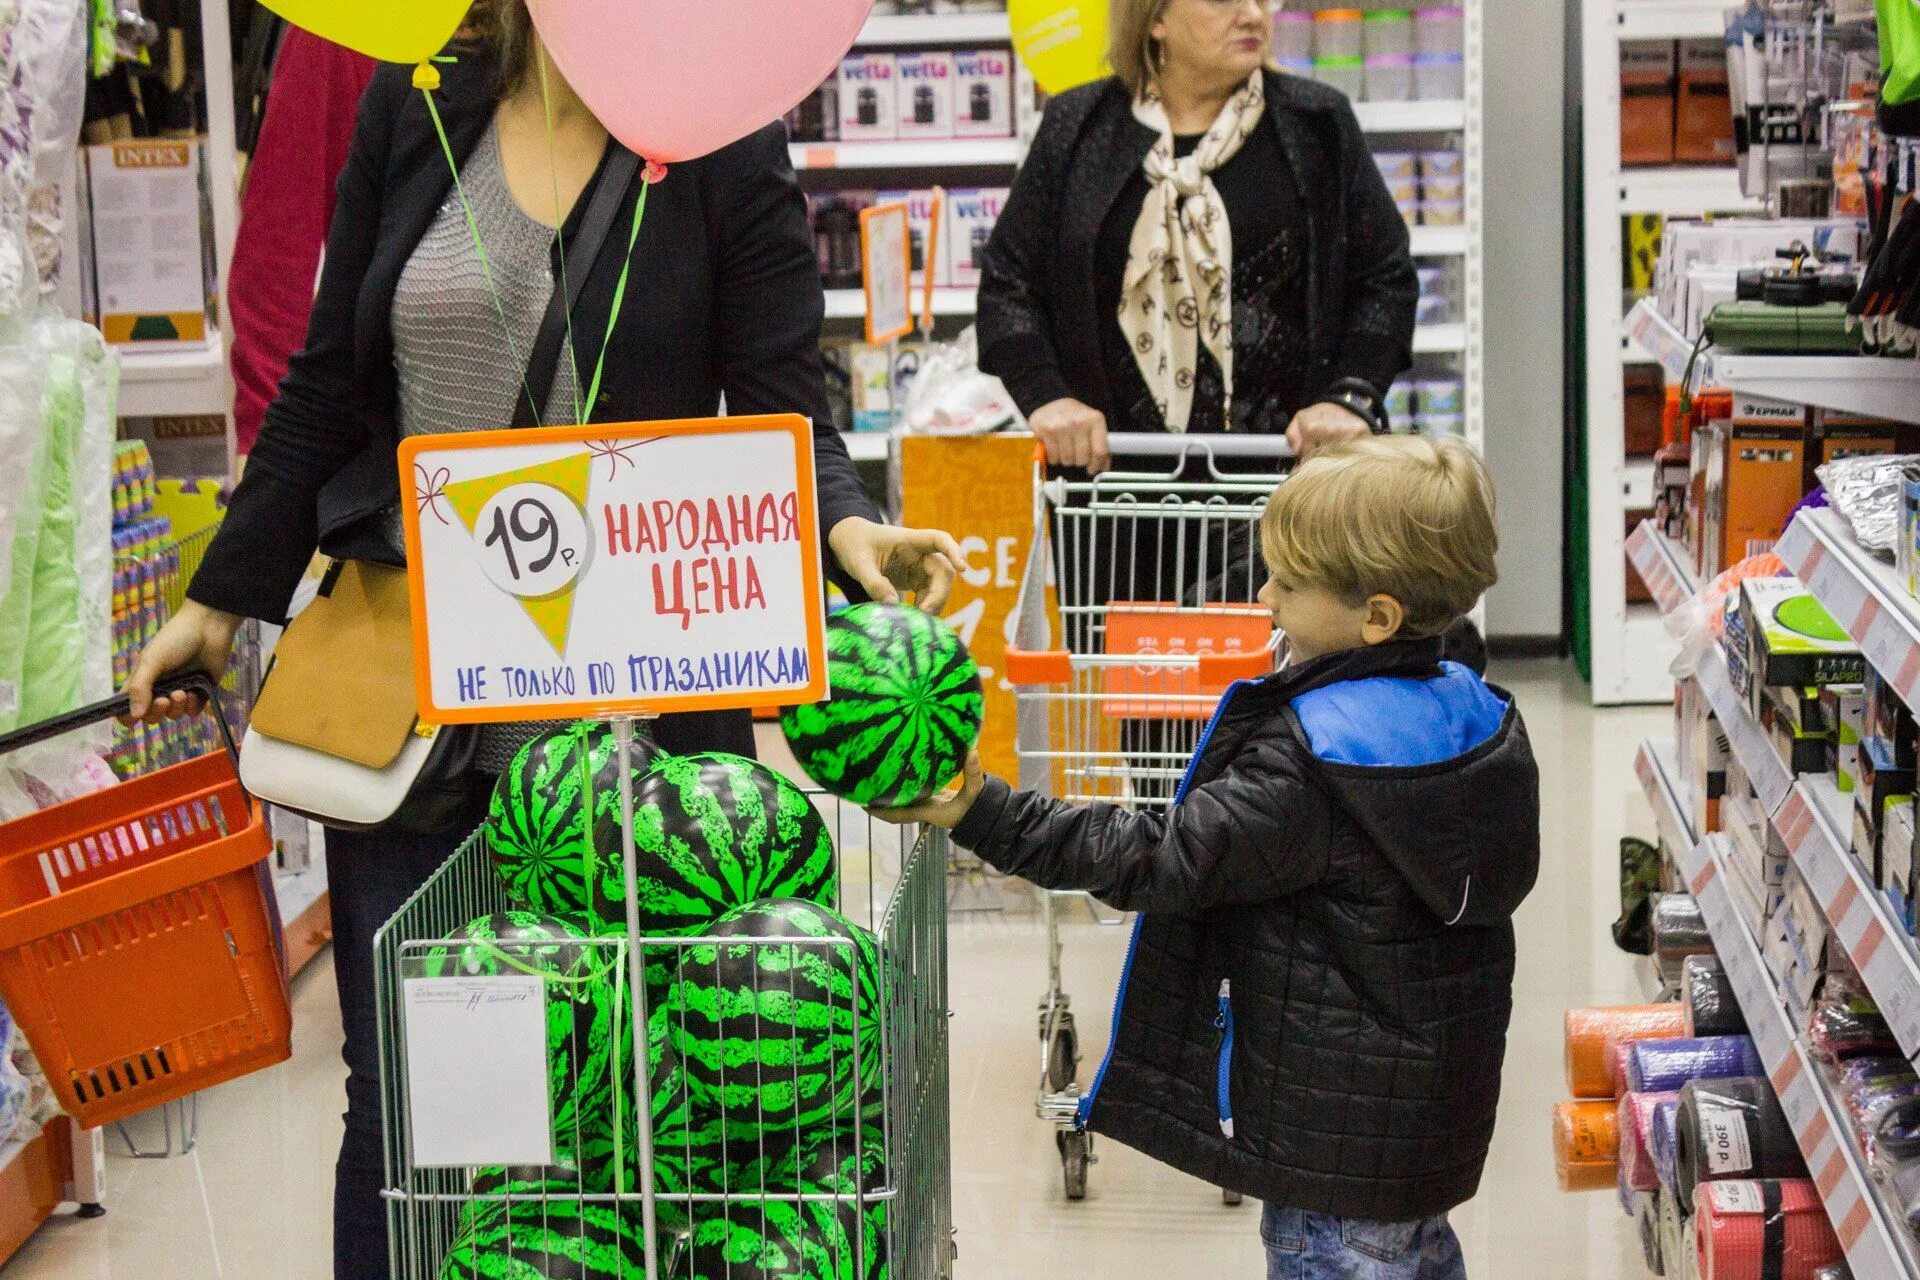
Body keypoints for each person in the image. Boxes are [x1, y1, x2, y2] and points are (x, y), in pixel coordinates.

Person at [124, 6, 962, 1277]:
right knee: (414, 1097)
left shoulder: (722, 138)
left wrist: (848, 536)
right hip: (423, 719)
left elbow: (791, 406)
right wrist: (217, 598)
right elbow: (325, 380)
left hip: (644, 747)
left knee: (632, 1108)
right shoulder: (416, 107)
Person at [881, 436, 1540, 1280]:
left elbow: (1157, 858)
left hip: (1329, 1160)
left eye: (1289, 585)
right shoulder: (1477, 717)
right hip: (1417, 1138)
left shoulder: (1316, 766)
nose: (1263, 596)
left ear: (1376, 618)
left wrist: (986, 811)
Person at [976, 0, 1419, 474]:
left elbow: (1385, 277)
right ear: (1156, 19)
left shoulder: (1316, 123)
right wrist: (1047, 396)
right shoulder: (1077, 128)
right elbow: (1009, 285)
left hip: (1289, 492)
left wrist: (1350, 397)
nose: (1252, 14)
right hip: (1111, 494)